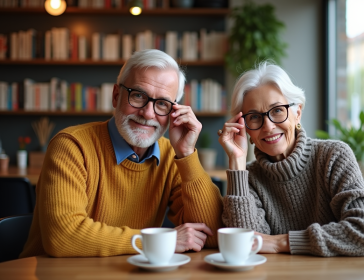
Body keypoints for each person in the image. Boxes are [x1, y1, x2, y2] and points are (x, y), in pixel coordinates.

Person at [20, 49, 223, 258]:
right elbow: (63, 237)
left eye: (162, 103)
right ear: (116, 96)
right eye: (138, 95)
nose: (147, 113)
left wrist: (187, 154)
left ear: (174, 112)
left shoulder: (172, 157)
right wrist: (161, 241)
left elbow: (212, 233)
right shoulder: (71, 146)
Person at [218, 61, 364, 257]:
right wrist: (237, 162)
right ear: (243, 127)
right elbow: (245, 246)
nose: (268, 126)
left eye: (277, 110)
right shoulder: (248, 179)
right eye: (254, 117)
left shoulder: (333, 156)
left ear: (297, 113)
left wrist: (281, 242)